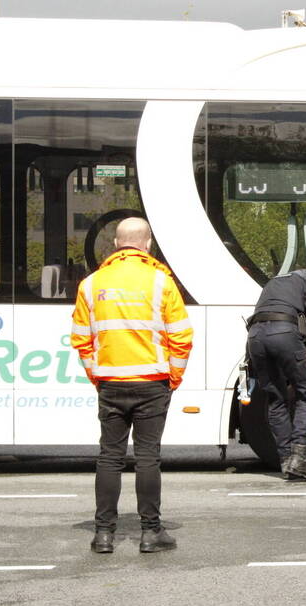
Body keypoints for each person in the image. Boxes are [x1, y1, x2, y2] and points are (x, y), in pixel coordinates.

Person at [71, 217, 193, 554]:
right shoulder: (161, 283)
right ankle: (151, 533)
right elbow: (181, 336)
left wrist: (98, 376)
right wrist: (174, 377)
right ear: (147, 244)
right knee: (147, 457)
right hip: (152, 382)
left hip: (111, 382)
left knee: (109, 457)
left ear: (115, 244)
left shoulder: (91, 284)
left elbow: (82, 340)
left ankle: (103, 535)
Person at [246, 269, 306, 481]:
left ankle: (286, 461)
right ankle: (299, 460)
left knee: (276, 399)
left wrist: (251, 368)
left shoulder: (275, 282)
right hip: (284, 333)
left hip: (255, 338)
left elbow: (258, 318)